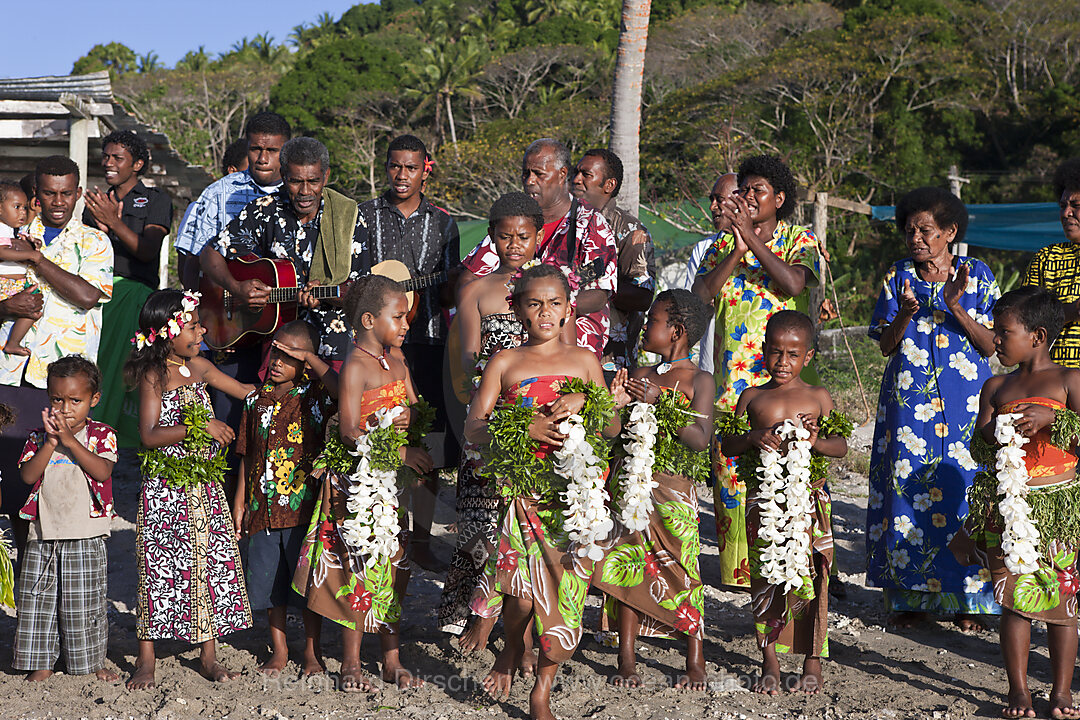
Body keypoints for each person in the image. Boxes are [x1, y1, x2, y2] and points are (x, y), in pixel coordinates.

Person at [465, 263, 623, 720]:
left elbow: (611, 428)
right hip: (524, 495)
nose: (545, 312)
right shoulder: (505, 363)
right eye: (534, 304)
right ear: (517, 310)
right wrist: (522, 425)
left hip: (574, 500)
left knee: (565, 599)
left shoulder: (585, 361)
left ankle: (542, 689)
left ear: (570, 309)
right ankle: (513, 646)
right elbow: (474, 428)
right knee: (519, 596)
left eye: (555, 303)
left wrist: (588, 398)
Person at [865, 186, 1001, 630]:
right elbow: (886, 344)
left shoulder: (977, 274)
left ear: (949, 232)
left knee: (965, 488)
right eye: (909, 230)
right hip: (909, 406)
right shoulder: (897, 276)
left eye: (925, 230)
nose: (916, 238)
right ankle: (909, 598)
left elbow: (992, 345)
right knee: (907, 488)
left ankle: (971, 601)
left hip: (966, 403)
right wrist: (905, 314)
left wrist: (955, 307)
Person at [292, 275, 431, 691]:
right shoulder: (354, 365)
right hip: (357, 484)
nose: (406, 324)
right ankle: (350, 661)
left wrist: (411, 420)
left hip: (391, 487)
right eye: (398, 317)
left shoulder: (398, 362)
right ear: (369, 320)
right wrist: (398, 450)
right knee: (357, 565)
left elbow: (417, 412)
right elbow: (350, 431)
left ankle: (391, 658)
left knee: (393, 565)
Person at [691, 155, 820, 590]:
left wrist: (753, 240)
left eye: (756, 191)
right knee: (734, 478)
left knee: (789, 476)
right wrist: (737, 250)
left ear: (778, 199)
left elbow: (795, 284)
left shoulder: (799, 238)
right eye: (743, 190)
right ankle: (740, 577)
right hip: (732, 384)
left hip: (785, 384)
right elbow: (699, 298)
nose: (746, 197)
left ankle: (795, 567)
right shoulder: (720, 244)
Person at [954, 287, 1080, 719]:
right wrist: (998, 429)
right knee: (1014, 600)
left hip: (1056, 508)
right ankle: (1019, 691)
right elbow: (979, 445)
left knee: (1062, 604)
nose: (995, 338)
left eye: (1004, 331)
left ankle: (1061, 691)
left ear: (1038, 336)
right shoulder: (996, 385)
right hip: (1008, 508)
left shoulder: (1069, 380)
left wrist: (1056, 419)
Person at [124, 289, 255, 689]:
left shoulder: (200, 366)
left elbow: (248, 393)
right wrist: (200, 427)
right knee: (157, 567)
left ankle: (208, 655)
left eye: (199, 323)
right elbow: (149, 435)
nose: (201, 330)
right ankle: (146, 658)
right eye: (193, 324)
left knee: (207, 562)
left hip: (205, 485)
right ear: (167, 331)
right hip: (165, 489)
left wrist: (293, 384)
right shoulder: (154, 374)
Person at [720, 310, 849, 695]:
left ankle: (812, 658)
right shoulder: (752, 396)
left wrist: (814, 442)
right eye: (775, 352)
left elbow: (840, 447)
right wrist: (753, 437)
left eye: (793, 354)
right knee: (765, 579)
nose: (782, 362)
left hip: (809, 502)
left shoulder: (818, 397)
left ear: (808, 357)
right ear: (762, 351)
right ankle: (769, 660)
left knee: (814, 576)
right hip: (765, 502)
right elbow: (727, 443)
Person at [594, 289, 714, 690]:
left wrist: (661, 402)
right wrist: (613, 405)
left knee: (684, 571)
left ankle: (694, 658)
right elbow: (614, 432)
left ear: (676, 331)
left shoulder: (700, 380)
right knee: (629, 567)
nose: (645, 326)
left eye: (653, 321)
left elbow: (699, 438)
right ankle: (626, 658)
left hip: (675, 493)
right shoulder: (640, 375)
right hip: (632, 488)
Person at [353, 134, 461, 572]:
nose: (402, 175)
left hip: (429, 339)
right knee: (376, 429)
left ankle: (419, 539)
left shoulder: (444, 223)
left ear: (425, 169)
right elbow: (356, 281)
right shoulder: (364, 216)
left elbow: (452, 285)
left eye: (411, 168)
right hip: (377, 346)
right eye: (395, 166)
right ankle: (380, 529)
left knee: (426, 437)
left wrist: (434, 285)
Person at [0, 156, 113, 562]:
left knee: (63, 470)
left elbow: (87, 296)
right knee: (17, 470)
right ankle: (23, 559)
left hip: (67, 381)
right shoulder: (11, 235)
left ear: (79, 193)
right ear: (37, 194)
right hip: (14, 372)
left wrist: (39, 261)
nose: (58, 201)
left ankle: (61, 556)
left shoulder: (95, 242)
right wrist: (6, 306)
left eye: (67, 193)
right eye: (49, 193)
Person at [438, 192, 536, 639]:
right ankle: (474, 614)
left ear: (538, 237)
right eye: (504, 236)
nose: (514, 244)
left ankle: (517, 615)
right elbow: (470, 357)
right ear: (492, 237)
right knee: (480, 517)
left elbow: (563, 352)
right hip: (489, 412)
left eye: (523, 236)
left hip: (537, 416)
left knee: (526, 521)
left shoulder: (552, 287)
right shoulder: (477, 290)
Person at [200, 136, 370, 367]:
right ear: (282, 175)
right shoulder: (266, 210)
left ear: (326, 177)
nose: (305, 191)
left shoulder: (348, 216)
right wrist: (236, 287)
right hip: (279, 347)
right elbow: (211, 253)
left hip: (334, 347)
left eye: (313, 181)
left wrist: (326, 294)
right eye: (295, 181)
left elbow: (362, 291)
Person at [232, 320, 337, 677]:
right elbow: (247, 454)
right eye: (275, 352)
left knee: (306, 584)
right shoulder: (254, 400)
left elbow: (341, 391)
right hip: (262, 511)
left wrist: (312, 359)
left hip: (303, 512)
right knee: (267, 584)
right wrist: (240, 502)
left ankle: (311, 651)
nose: (277, 361)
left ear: (306, 361)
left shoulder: (316, 396)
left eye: (289, 356)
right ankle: (278, 650)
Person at [13, 356, 119, 683]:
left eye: (76, 400)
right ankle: (41, 663)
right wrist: (52, 443)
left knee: (83, 605)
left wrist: (71, 442)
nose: (66, 408)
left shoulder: (102, 435)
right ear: (48, 398)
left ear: (93, 400)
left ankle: (89, 662)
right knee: (37, 601)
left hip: (86, 534)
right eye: (57, 399)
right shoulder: (37, 438)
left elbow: (102, 471)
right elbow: (28, 476)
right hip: (43, 532)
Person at [460, 138, 618, 359]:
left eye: (538, 174)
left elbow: (599, 295)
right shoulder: (511, 222)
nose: (530, 181)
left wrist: (541, 309)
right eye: (526, 173)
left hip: (571, 354)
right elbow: (468, 278)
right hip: (505, 357)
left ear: (563, 174)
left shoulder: (592, 224)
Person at [83, 130, 173, 447]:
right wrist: (103, 228)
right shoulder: (98, 201)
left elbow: (148, 251)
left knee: (115, 371)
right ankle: (90, 437)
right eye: (105, 156)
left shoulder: (157, 199)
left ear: (137, 164)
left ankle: (100, 441)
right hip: (95, 294)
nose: (108, 163)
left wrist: (115, 224)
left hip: (132, 294)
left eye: (117, 158)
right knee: (89, 366)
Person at [175, 112, 291, 290]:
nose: (262, 159)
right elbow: (191, 260)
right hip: (228, 310)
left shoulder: (299, 192)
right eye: (256, 149)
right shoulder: (218, 193)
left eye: (272, 151)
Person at [571, 148, 656, 375]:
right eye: (575, 173)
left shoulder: (631, 230)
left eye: (586, 175)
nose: (576, 180)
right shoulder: (563, 224)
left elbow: (643, 295)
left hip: (610, 360)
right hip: (562, 356)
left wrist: (596, 289)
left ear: (609, 185)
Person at [1022, 158, 1080, 368]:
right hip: (1053, 385)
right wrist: (1072, 310)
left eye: (1076, 206)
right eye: (1063, 205)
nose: (1066, 213)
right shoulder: (1047, 257)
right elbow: (1025, 319)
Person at [682, 173, 739, 372]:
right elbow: (692, 307)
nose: (713, 207)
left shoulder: (768, 248)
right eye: (711, 200)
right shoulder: (704, 249)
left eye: (720, 200)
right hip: (714, 367)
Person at [0, 180, 36, 356]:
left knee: (33, 309)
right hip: (5, 283)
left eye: (24, 208)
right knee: (32, 309)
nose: (22, 212)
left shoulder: (10, 229)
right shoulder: (1, 228)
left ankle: (13, 342)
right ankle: (13, 342)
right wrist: (29, 255)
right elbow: (3, 252)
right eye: (17, 207)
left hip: (15, 284)